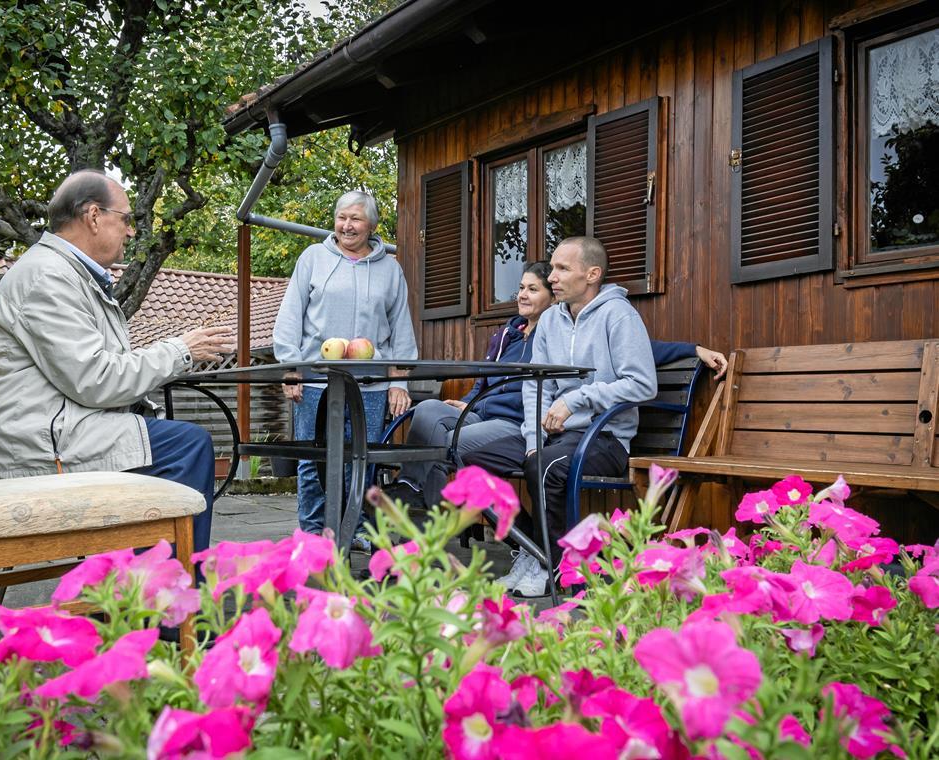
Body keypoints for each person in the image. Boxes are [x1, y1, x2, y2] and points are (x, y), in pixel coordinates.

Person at [0, 170, 234, 555]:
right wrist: (182, 350)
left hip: (56, 432)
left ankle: (137, 589)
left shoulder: (66, 274)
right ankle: (162, 606)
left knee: (171, 439)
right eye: (126, 219)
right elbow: (96, 379)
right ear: (93, 216)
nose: (131, 232)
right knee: (188, 446)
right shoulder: (49, 277)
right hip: (45, 447)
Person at [386, 262, 728, 511]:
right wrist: (469, 402)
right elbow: (484, 379)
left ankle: (422, 517)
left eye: (533, 288)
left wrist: (692, 350)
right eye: (520, 287)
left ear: (553, 298)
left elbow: (640, 351)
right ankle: (410, 490)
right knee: (428, 410)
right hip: (498, 417)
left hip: (520, 423)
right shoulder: (508, 333)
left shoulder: (567, 332)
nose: (522, 294)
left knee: (445, 446)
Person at [464, 236, 658, 597]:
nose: (552, 276)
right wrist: (532, 440)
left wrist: (577, 401)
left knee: (546, 467)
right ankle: (534, 550)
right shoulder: (551, 320)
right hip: (554, 438)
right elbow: (535, 386)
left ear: (592, 274)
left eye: (562, 268)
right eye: (552, 267)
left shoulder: (618, 315)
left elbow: (643, 384)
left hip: (604, 438)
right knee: (473, 467)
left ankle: (553, 567)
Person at [273, 190, 418, 551]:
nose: (347, 225)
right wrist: (292, 369)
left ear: (372, 225)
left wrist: (399, 381)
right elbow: (290, 316)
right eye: (342, 217)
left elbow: (401, 327)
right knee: (312, 460)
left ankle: (356, 531)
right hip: (316, 380)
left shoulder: (389, 269)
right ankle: (312, 534)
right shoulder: (313, 259)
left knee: (362, 460)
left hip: (371, 383)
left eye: (355, 219)